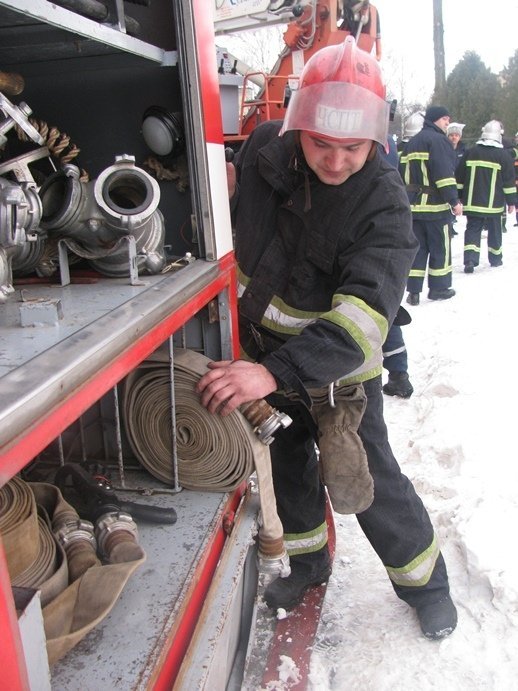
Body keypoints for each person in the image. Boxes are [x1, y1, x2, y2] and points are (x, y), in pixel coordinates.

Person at [197, 37, 457, 640]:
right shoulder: (266, 150)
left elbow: (364, 322)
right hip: (265, 362)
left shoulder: (384, 204)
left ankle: (427, 587)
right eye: (320, 144)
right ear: (297, 126)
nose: (336, 161)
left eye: (353, 148)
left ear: (376, 140)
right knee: (288, 470)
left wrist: (275, 372)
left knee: (367, 481)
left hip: (337, 378)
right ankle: (310, 566)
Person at [399, 105, 463, 305]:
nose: (447, 123)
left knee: (417, 250)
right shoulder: (439, 141)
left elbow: (402, 174)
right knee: (440, 249)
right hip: (435, 207)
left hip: (414, 207)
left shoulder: (412, 142)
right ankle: (439, 288)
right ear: (435, 119)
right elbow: (444, 174)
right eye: (445, 119)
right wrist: (454, 201)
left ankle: (413, 291)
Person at [456, 120, 516, 272]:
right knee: (495, 231)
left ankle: (470, 260)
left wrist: (458, 197)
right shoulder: (503, 156)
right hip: (494, 205)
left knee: (473, 229)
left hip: (472, 202)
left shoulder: (470, 152)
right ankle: (495, 258)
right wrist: (512, 202)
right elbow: (509, 182)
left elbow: (459, 177)